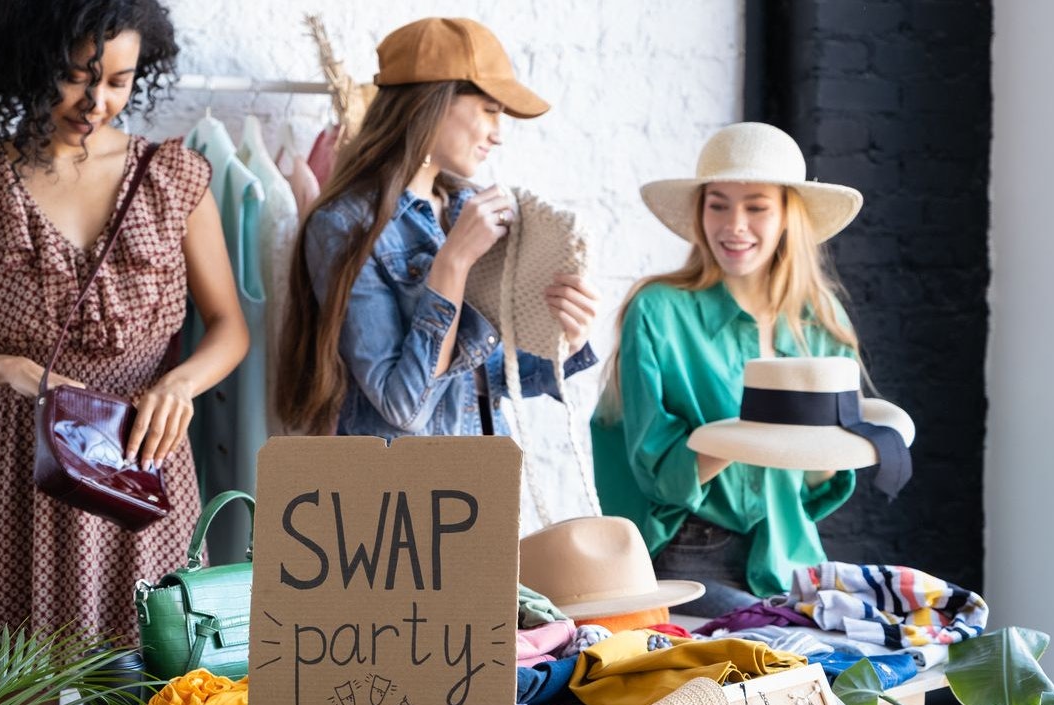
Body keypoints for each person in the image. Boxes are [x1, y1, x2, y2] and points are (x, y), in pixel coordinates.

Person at [0, 0, 249, 642]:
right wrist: (9, 369)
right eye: (76, 76)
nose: (97, 101)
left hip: (139, 451)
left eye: (118, 80)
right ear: (28, 63)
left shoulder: (173, 177)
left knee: (152, 659)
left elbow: (228, 326)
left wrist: (180, 384)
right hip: (16, 463)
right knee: (9, 666)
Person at [591, 122, 867, 617]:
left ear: (787, 216)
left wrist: (832, 446)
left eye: (756, 207)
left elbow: (818, 484)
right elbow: (658, 474)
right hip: (688, 554)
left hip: (788, 553)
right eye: (718, 204)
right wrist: (752, 434)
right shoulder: (658, 310)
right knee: (769, 651)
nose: (733, 225)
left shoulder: (821, 322)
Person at [275, 17, 600, 438]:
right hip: (391, 495)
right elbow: (404, 407)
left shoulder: (472, 209)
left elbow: (492, 378)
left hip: (481, 484)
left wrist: (570, 340)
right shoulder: (344, 224)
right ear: (432, 104)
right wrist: (452, 264)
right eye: (489, 110)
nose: (498, 135)